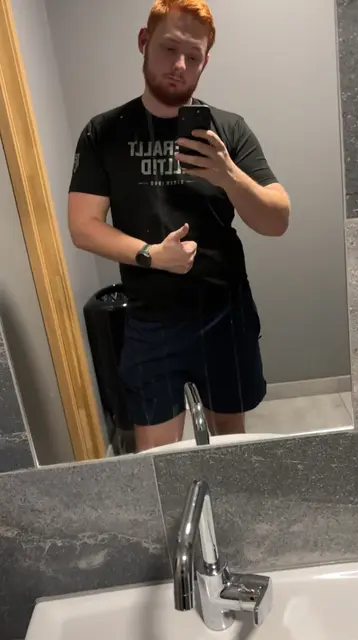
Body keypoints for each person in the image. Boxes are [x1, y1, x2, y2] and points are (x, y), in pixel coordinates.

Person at [68, 0, 291, 452]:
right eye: (170, 49)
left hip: (224, 312)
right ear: (144, 41)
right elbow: (83, 226)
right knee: (157, 460)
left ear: (206, 60)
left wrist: (228, 175)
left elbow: (277, 219)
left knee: (232, 450)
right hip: (150, 317)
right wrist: (152, 255)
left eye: (194, 56)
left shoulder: (228, 130)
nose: (180, 66)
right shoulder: (104, 133)